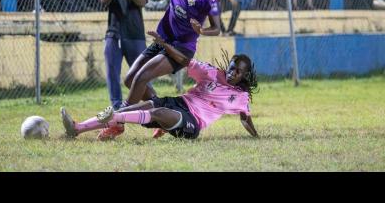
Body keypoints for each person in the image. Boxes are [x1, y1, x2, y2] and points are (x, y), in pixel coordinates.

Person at [96, 0, 221, 139]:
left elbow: (218, 28)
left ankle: (118, 122)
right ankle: (159, 113)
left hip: (181, 48)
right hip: (162, 39)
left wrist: (202, 30)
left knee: (142, 78)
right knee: (130, 79)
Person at [61, 46, 259, 140]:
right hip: (178, 103)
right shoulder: (212, 72)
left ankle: (116, 116)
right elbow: (185, 61)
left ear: (245, 75)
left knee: (157, 113)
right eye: (232, 68)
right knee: (147, 105)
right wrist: (165, 45)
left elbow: (245, 119)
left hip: (192, 123)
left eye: (238, 71)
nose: (232, 73)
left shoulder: (241, 97)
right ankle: (77, 129)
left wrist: (256, 137)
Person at [99, 0, 150, 110]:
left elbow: (143, 2)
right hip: (113, 33)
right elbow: (102, 0)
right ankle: (116, 107)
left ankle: (150, 103)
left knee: (142, 74)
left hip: (135, 34)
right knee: (112, 72)